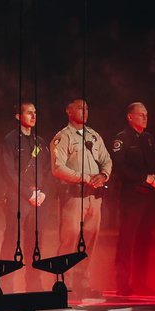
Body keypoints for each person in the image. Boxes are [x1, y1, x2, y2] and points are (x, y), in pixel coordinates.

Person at [50, 98, 112, 299]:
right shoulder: (63, 137)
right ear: (68, 112)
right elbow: (58, 168)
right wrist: (85, 178)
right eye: (79, 108)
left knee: (90, 240)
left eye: (87, 108)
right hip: (74, 196)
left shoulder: (94, 136)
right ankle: (63, 284)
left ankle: (81, 283)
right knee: (70, 238)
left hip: (94, 197)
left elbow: (106, 159)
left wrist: (103, 175)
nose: (84, 111)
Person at [110, 101, 155, 296]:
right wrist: (143, 178)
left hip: (148, 197)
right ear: (130, 117)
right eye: (141, 114)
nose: (145, 118)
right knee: (127, 240)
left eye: (146, 114)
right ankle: (122, 283)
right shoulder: (122, 139)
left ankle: (141, 281)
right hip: (131, 197)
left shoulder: (148, 139)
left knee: (144, 240)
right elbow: (120, 167)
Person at [0, 102, 49, 293]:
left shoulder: (40, 142)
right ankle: (6, 286)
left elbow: (47, 171)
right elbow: (8, 172)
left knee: (36, 243)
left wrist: (43, 192)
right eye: (29, 112)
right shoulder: (10, 140)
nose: (33, 116)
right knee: (12, 241)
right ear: (18, 116)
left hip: (39, 198)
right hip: (18, 197)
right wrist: (29, 194)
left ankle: (34, 285)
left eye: (35, 112)